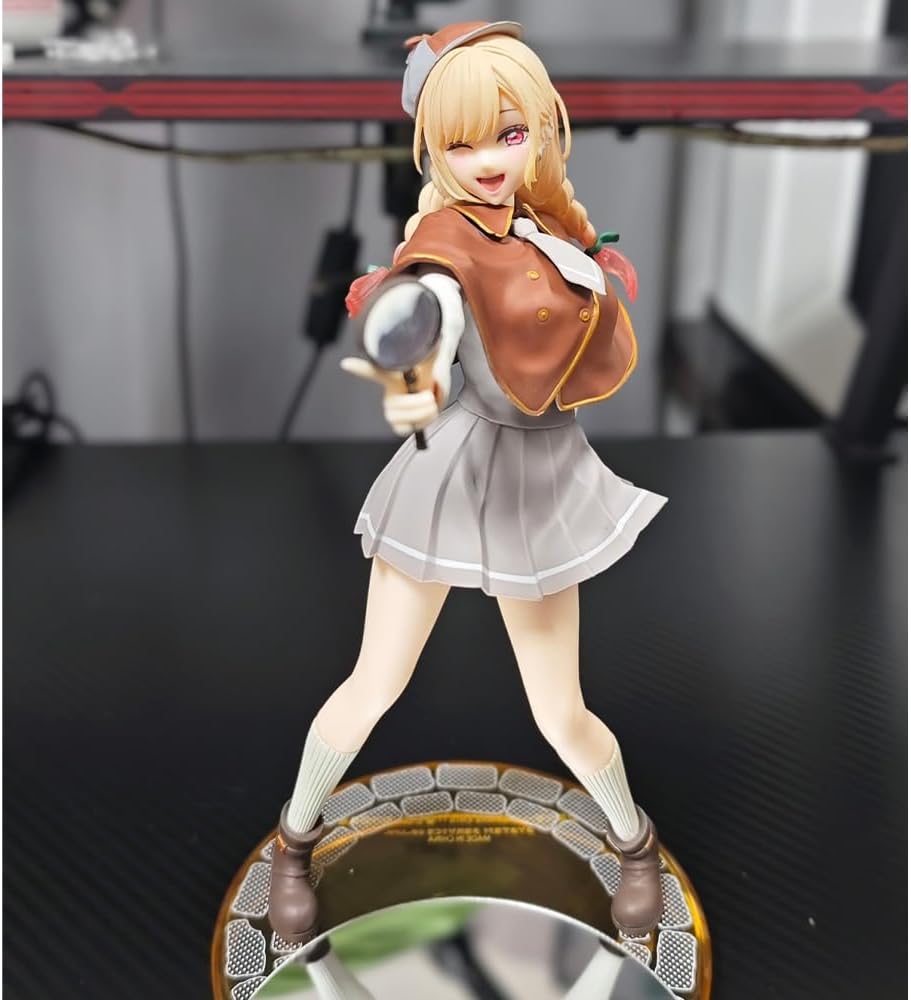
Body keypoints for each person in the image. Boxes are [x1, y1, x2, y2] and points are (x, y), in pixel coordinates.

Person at [268, 21, 668, 946]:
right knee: (374, 680)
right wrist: (415, 376)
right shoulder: (444, 239)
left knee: (559, 708)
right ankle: (294, 838)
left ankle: (634, 842)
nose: (487, 160)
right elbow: (431, 306)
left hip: (539, 478)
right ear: (432, 149)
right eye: (460, 144)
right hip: (451, 473)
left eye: (508, 133)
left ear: (539, 128)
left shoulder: (544, 221)